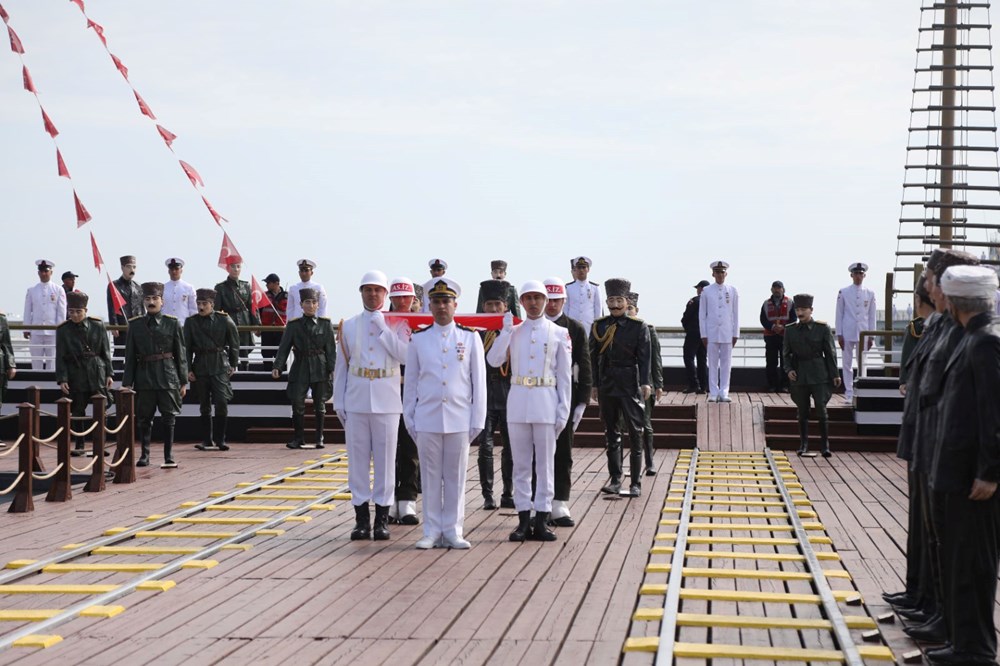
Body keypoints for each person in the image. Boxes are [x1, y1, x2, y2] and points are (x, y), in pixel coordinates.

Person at [896, 249, 980, 645]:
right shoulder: (940, 328)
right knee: (930, 535)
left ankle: (952, 627)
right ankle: (927, 603)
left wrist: (989, 470)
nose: (928, 286)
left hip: (948, 450)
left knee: (953, 545)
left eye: (931, 279)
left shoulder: (974, 338)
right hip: (930, 443)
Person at [924, 265, 1000, 665]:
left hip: (973, 478)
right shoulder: (973, 338)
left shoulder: (986, 342)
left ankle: (976, 650)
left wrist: (990, 472)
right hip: (955, 474)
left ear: (953, 301)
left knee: (972, 564)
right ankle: (962, 642)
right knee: (959, 561)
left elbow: (995, 414)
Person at [403, 278, 486, 550]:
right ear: (429, 305)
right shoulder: (418, 339)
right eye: (436, 301)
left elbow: (478, 383)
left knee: (455, 478)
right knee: (429, 476)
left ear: (455, 304)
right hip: (427, 418)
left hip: (460, 418)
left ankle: (453, 530)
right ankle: (431, 531)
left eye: (446, 301)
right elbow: (411, 382)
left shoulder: (470, 337)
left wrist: (478, 420)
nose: (441, 306)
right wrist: (410, 417)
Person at [487, 280, 571, 542]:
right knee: (521, 464)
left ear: (546, 301)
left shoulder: (559, 332)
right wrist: (504, 333)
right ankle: (524, 518)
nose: (533, 303)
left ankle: (543, 519)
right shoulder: (515, 331)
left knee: (545, 465)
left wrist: (563, 410)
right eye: (528, 298)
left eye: (538, 298)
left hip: (546, 400)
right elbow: (494, 360)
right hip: (519, 400)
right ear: (521, 302)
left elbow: (564, 375)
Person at [334, 271, 409, 541]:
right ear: (361, 292)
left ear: (386, 294)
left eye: (378, 290)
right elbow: (341, 366)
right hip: (356, 399)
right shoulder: (349, 325)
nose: (373, 295)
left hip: (387, 399)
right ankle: (361, 519)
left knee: (387, 461)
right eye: (368, 290)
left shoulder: (398, 323)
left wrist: (384, 331)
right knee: (357, 462)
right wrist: (338, 401)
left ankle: (382, 519)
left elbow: (406, 356)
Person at [883, 275, 935, 615]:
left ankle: (933, 606)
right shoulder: (928, 330)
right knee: (920, 525)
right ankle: (918, 593)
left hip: (937, 445)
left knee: (936, 532)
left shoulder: (972, 340)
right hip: (922, 441)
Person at [591, 278, 651, 497]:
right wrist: (595, 385)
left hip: (629, 381)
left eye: (619, 300)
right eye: (611, 300)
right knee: (611, 432)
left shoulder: (638, 327)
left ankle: (635, 482)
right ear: (607, 301)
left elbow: (645, 358)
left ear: (627, 302)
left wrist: (646, 382)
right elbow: (593, 357)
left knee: (636, 432)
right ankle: (616, 479)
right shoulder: (599, 326)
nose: (615, 304)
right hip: (607, 382)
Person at [122, 282, 188, 468]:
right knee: (144, 418)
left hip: (167, 376)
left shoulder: (172, 323)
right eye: (148, 299)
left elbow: (181, 354)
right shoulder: (135, 325)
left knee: (169, 417)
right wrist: (127, 383)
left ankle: (169, 454)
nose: (151, 302)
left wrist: (183, 381)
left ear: (162, 301)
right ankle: (145, 455)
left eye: (155, 299)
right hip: (144, 377)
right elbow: (130, 356)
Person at [543, 278, 592, 526]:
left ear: (564, 300)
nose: (551, 305)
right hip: (537, 395)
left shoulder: (575, 328)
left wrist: (582, 402)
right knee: (536, 453)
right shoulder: (531, 326)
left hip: (565, 396)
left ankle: (560, 502)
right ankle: (537, 502)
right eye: (548, 299)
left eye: (556, 300)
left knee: (563, 452)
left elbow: (584, 365)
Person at [272, 288, 336, 450]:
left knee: (319, 403)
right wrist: (278, 366)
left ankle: (319, 437)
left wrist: (333, 368)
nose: (311, 305)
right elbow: (284, 347)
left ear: (318, 304)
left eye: (314, 302)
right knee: (297, 401)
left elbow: (330, 349)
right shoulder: (294, 325)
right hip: (300, 365)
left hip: (319, 366)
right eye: (307, 302)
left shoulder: (325, 324)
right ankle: (298, 438)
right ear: (301, 304)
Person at [54, 292, 113, 456]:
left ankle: (99, 445)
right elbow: (60, 356)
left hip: (96, 372)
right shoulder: (64, 330)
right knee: (77, 410)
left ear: (85, 310)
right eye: (71, 311)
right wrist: (62, 378)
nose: (75, 315)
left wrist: (109, 373)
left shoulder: (98, 326)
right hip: (76, 372)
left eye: (78, 312)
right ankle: (79, 445)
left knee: (100, 409)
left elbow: (105, 352)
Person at [782, 294, 840, 457]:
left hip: (819, 374)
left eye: (803, 310)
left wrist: (834, 374)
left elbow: (830, 353)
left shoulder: (822, 329)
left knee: (821, 409)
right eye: (798, 309)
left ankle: (825, 445)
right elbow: (785, 354)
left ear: (811, 310)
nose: (800, 313)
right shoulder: (790, 330)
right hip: (799, 374)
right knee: (802, 410)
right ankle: (804, 444)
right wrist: (788, 370)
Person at [476, 279, 514, 511]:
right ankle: (487, 494)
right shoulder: (476, 332)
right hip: (485, 392)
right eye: (488, 304)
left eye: (497, 304)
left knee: (510, 446)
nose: (492, 309)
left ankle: (508, 492)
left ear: (505, 306)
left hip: (509, 391)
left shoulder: (513, 329)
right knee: (485, 446)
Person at [185, 288, 239, 452]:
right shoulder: (191, 322)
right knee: (204, 404)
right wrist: (187, 368)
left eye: (205, 304)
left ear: (212, 304)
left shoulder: (224, 320)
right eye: (199, 303)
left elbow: (234, 343)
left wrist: (233, 363)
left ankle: (220, 439)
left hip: (219, 365)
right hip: (200, 365)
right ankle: (207, 440)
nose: (201, 307)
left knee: (222, 401)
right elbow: (185, 348)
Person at [386, 277, 421, 525]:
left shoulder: (422, 325)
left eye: (405, 297)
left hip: (413, 389)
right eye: (397, 297)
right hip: (385, 390)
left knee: (410, 447)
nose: (401, 302)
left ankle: (407, 499)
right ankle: (387, 498)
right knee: (387, 448)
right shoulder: (382, 322)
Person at [627, 292, 663, 475]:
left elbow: (656, 358)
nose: (627, 312)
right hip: (622, 383)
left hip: (644, 383)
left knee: (646, 424)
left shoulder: (647, 329)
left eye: (630, 308)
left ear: (636, 310)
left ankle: (650, 463)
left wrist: (658, 384)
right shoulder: (611, 328)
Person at [835, 262, 877, 401]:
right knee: (847, 363)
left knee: (862, 363)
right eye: (856, 274)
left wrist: (872, 336)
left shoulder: (870, 293)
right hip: (847, 331)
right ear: (851, 275)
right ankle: (848, 392)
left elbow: (872, 316)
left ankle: (862, 390)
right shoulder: (844, 292)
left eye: (860, 274)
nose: (858, 276)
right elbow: (839, 313)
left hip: (863, 331)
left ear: (864, 275)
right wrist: (839, 334)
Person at [699, 261, 739, 402]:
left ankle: (724, 391)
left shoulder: (732, 290)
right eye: (717, 272)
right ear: (713, 274)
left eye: (722, 272)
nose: (720, 275)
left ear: (726, 273)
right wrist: (703, 334)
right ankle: (713, 392)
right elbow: (702, 315)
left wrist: (736, 333)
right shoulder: (707, 291)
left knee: (726, 364)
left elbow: (736, 314)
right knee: (713, 363)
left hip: (727, 332)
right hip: (711, 332)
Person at [214, 258, 259, 369]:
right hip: (229, 319)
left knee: (244, 348)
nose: (236, 269)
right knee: (229, 347)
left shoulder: (246, 286)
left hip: (244, 319)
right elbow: (217, 309)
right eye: (233, 266)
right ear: (228, 268)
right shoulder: (220, 287)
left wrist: (257, 324)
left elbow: (252, 306)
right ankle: (230, 371)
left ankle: (245, 371)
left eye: (238, 266)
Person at [23, 260, 67, 371]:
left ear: (51, 272)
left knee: (52, 361)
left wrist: (61, 329)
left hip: (53, 331)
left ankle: (50, 383)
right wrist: (26, 328)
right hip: (36, 330)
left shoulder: (58, 290)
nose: (43, 274)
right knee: (36, 360)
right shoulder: (32, 290)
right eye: (41, 271)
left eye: (46, 271)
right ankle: (36, 382)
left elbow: (61, 312)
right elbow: (28, 311)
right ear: (38, 273)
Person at [760, 280, 796, 392]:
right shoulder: (766, 303)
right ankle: (772, 385)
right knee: (771, 362)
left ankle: (785, 385)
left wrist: (784, 328)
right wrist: (772, 327)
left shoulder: (790, 302)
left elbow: (794, 319)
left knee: (785, 362)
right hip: (770, 336)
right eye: (775, 288)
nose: (777, 290)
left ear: (783, 289)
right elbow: (763, 319)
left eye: (779, 288)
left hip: (785, 336)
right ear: (771, 290)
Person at [107, 255, 143, 359]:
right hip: (122, 325)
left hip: (137, 326)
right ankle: (117, 375)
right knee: (120, 353)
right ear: (122, 268)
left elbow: (141, 307)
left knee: (138, 352)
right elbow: (111, 306)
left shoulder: (139, 287)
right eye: (129, 266)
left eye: (134, 267)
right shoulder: (114, 285)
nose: (132, 270)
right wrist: (114, 325)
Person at [681, 280, 709, 394]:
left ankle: (693, 384)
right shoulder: (712, 302)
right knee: (702, 360)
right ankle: (703, 386)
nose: (697, 290)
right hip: (705, 334)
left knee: (689, 357)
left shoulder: (695, 301)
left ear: (701, 288)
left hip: (693, 332)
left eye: (698, 288)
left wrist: (687, 327)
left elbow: (686, 317)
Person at [565, 256, 602, 335]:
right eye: (578, 268)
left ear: (588, 269)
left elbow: (598, 308)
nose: (581, 270)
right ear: (575, 270)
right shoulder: (568, 287)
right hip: (572, 325)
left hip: (589, 326)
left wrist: (597, 326)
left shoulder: (595, 287)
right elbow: (566, 308)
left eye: (583, 267)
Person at [259, 273, 287, 368]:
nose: (266, 285)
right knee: (266, 353)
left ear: (276, 283)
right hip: (267, 329)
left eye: (268, 283)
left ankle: (280, 372)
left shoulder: (287, 297)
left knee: (280, 353)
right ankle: (267, 373)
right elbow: (258, 312)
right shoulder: (264, 296)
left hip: (281, 330)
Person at [162, 258, 197, 326]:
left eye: (176, 269)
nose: (174, 271)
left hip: (183, 325)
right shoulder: (163, 288)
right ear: (168, 271)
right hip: (166, 326)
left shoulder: (189, 288)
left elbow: (193, 309)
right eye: (172, 269)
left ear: (181, 270)